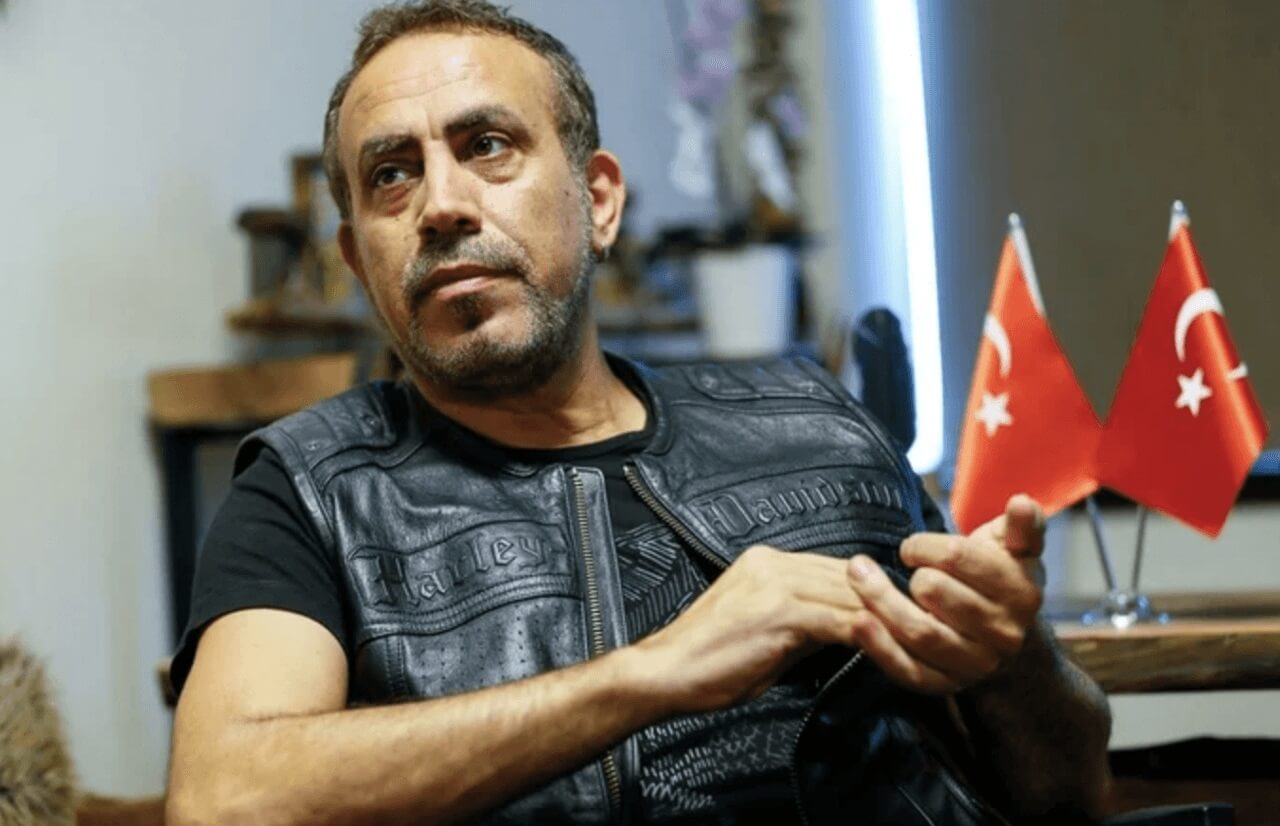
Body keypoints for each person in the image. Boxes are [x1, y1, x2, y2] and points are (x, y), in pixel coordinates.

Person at [165, 2, 1112, 823]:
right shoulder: (308, 491)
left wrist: (1013, 659)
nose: (441, 205)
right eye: (392, 174)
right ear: (357, 259)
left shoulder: (817, 424)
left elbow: (1064, 796)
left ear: (599, 201)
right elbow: (225, 800)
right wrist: (651, 672)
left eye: (487, 146)